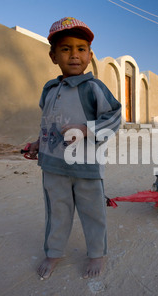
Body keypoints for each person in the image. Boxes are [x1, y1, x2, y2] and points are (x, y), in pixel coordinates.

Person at [27, 17, 122, 279]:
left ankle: (96, 254)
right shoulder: (49, 90)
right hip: (53, 166)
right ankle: (54, 251)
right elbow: (47, 122)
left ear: (90, 56)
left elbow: (115, 116)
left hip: (86, 168)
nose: (74, 55)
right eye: (66, 48)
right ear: (53, 55)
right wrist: (38, 143)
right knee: (57, 211)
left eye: (81, 49)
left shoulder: (93, 88)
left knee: (92, 212)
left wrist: (86, 130)